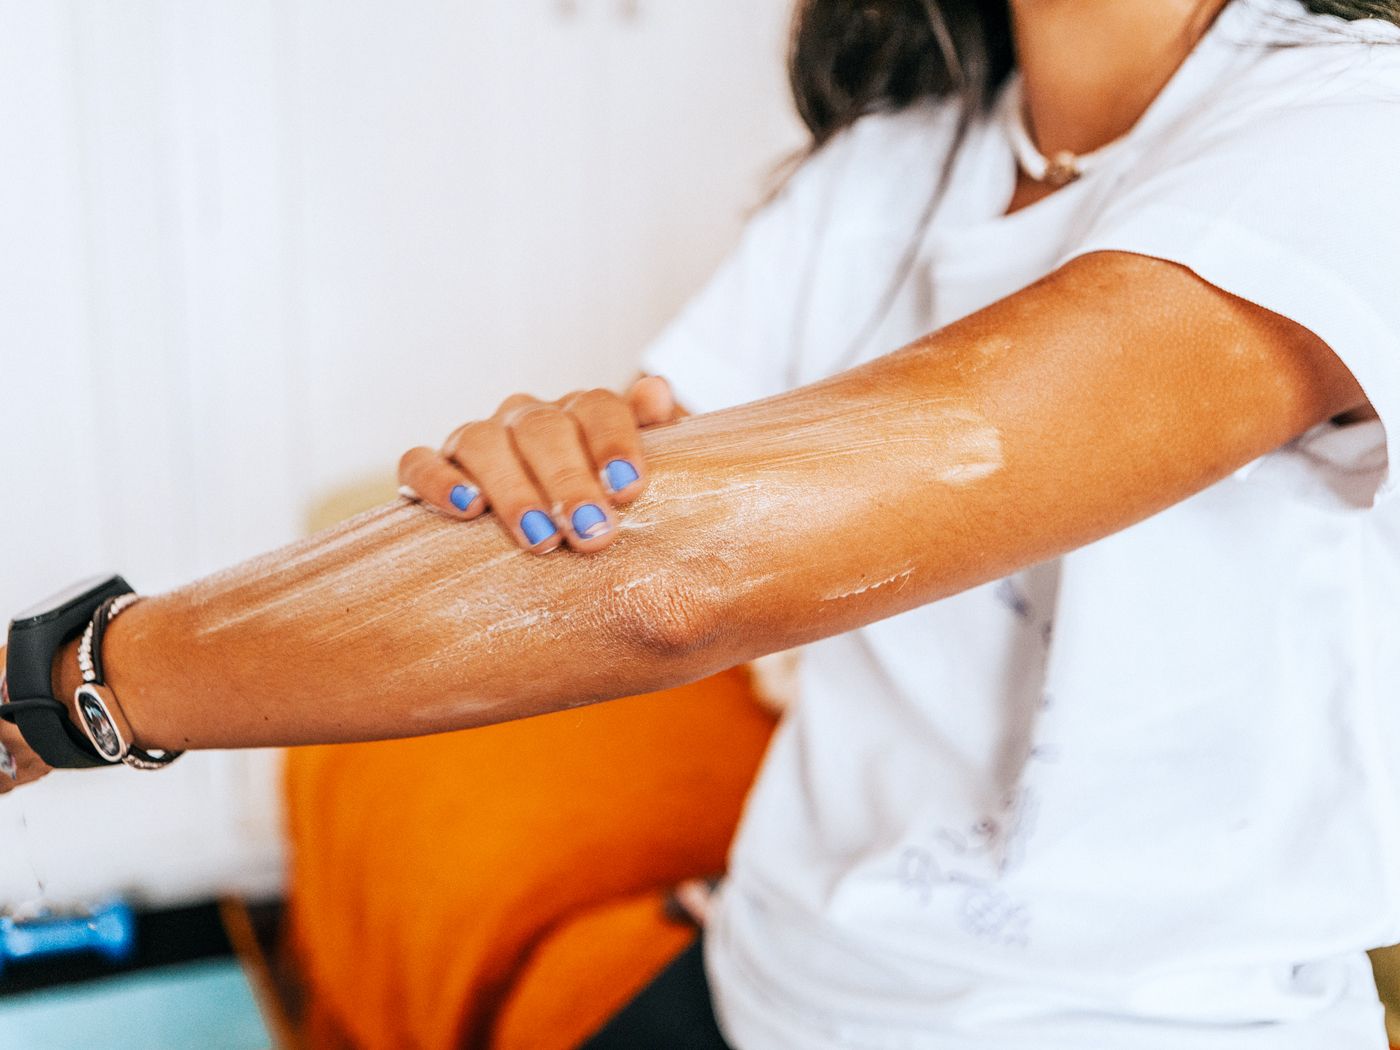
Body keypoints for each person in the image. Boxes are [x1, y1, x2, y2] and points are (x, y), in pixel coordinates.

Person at [4, 0, 1400, 1045]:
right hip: (770, 979)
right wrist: (551, 461)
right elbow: (605, 515)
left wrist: (64, 686)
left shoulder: (1356, 128)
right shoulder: (894, 165)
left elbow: (674, 581)